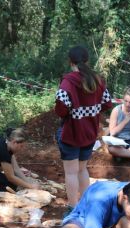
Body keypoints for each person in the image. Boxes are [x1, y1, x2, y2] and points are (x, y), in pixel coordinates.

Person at [55, 45, 114, 213]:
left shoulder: (68, 81)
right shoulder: (98, 80)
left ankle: (73, 207)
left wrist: (74, 111)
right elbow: (107, 103)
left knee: (71, 172)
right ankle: (86, 205)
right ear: (87, 60)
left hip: (71, 132)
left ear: (70, 61)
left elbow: (61, 108)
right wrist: (91, 112)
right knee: (82, 169)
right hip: (90, 132)